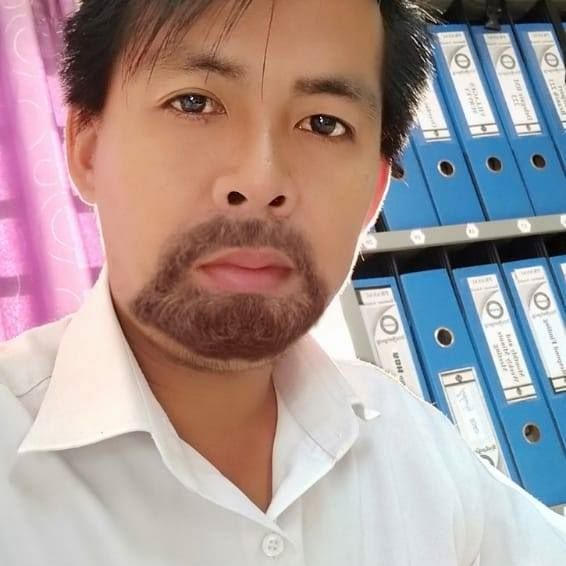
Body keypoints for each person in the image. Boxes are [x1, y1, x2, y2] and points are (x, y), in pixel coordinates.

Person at [1, 0, 565, 564]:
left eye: (324, 124)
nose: (260, 179)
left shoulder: (414, 447)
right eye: (194, 102)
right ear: (87, 146)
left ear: (375, 192)